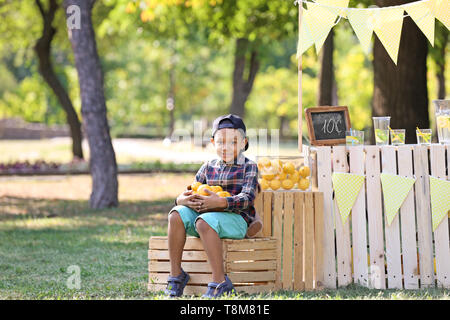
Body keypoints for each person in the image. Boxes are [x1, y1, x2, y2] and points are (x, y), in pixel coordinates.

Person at [165, 114, 262, 298]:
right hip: (206, 217)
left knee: (203, 221)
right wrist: (181, 200)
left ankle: (220, 281)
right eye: (220, 142)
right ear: (212, 142)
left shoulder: (249, 167)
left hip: (236, 220)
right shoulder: (208, 166)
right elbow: (192, 189)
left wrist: (220, 202)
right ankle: (176, 274)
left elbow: (247, 198)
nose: (226, 147)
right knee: (176, 215)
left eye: (233, 142)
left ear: (243, 143)